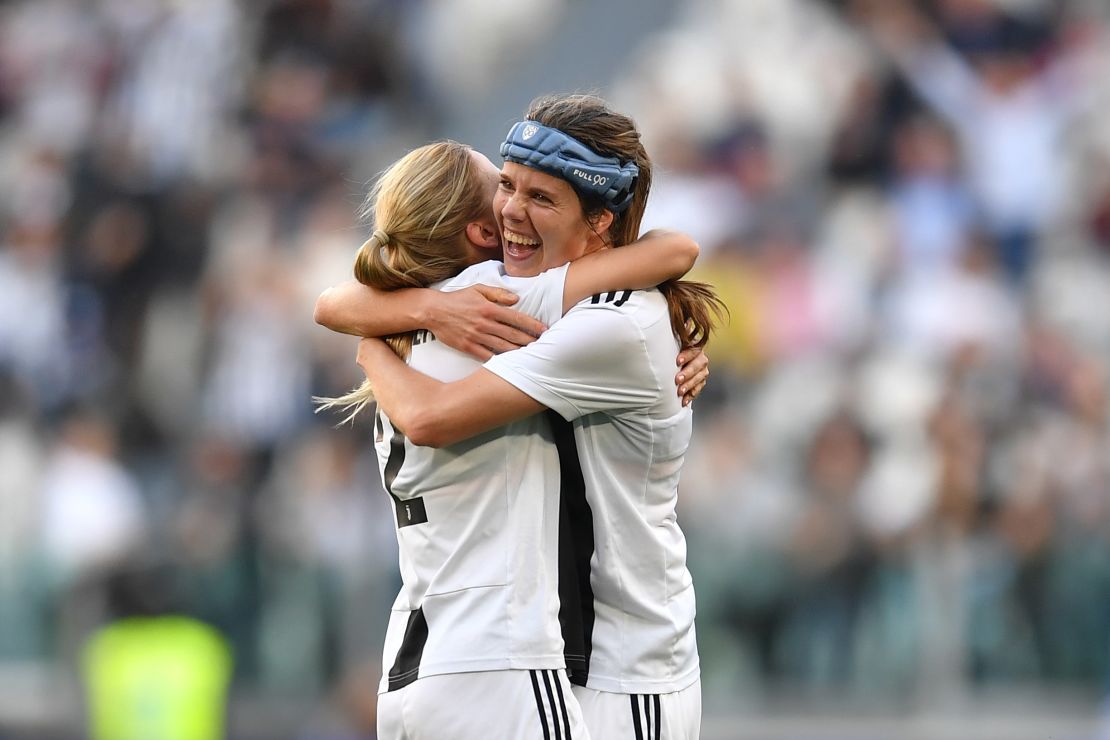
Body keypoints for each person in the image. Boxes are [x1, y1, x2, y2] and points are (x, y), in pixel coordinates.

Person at [353, 93, 724, 740]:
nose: (512, 212)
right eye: (506, 187)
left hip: (621, 671)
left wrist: (368, 339)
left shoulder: (589, 322)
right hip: (526, 663)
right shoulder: (497, 309)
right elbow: (673, 249)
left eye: (541, 197)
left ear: (602, 219)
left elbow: (343, 302)